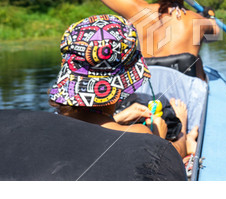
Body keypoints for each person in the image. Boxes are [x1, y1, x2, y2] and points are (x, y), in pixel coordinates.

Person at [77, 0, 220, 131]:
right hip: (183, 106)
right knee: (198, 62)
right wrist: (209, 16)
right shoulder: (197, 21)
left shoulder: (135, 9)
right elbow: (216, 33)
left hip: (143, 103)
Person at [47, 14, 197, 159]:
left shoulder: (50, 125)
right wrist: (178, 129)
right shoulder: (141, 135)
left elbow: (89, 135)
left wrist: (117, 118)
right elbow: (171, 158)